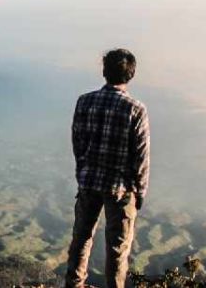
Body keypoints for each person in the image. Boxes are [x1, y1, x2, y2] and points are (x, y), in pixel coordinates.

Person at [65, 49, 151, 288]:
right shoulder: (136, 109)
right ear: (131, 74)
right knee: (117, 248)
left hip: (89, 181)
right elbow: (141, 157)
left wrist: (82, 171)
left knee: (81, 238)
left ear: (104, 71)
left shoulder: (85, 101)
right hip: (121, 189)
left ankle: (75, 284)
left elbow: (77, 142)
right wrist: (140, 191)